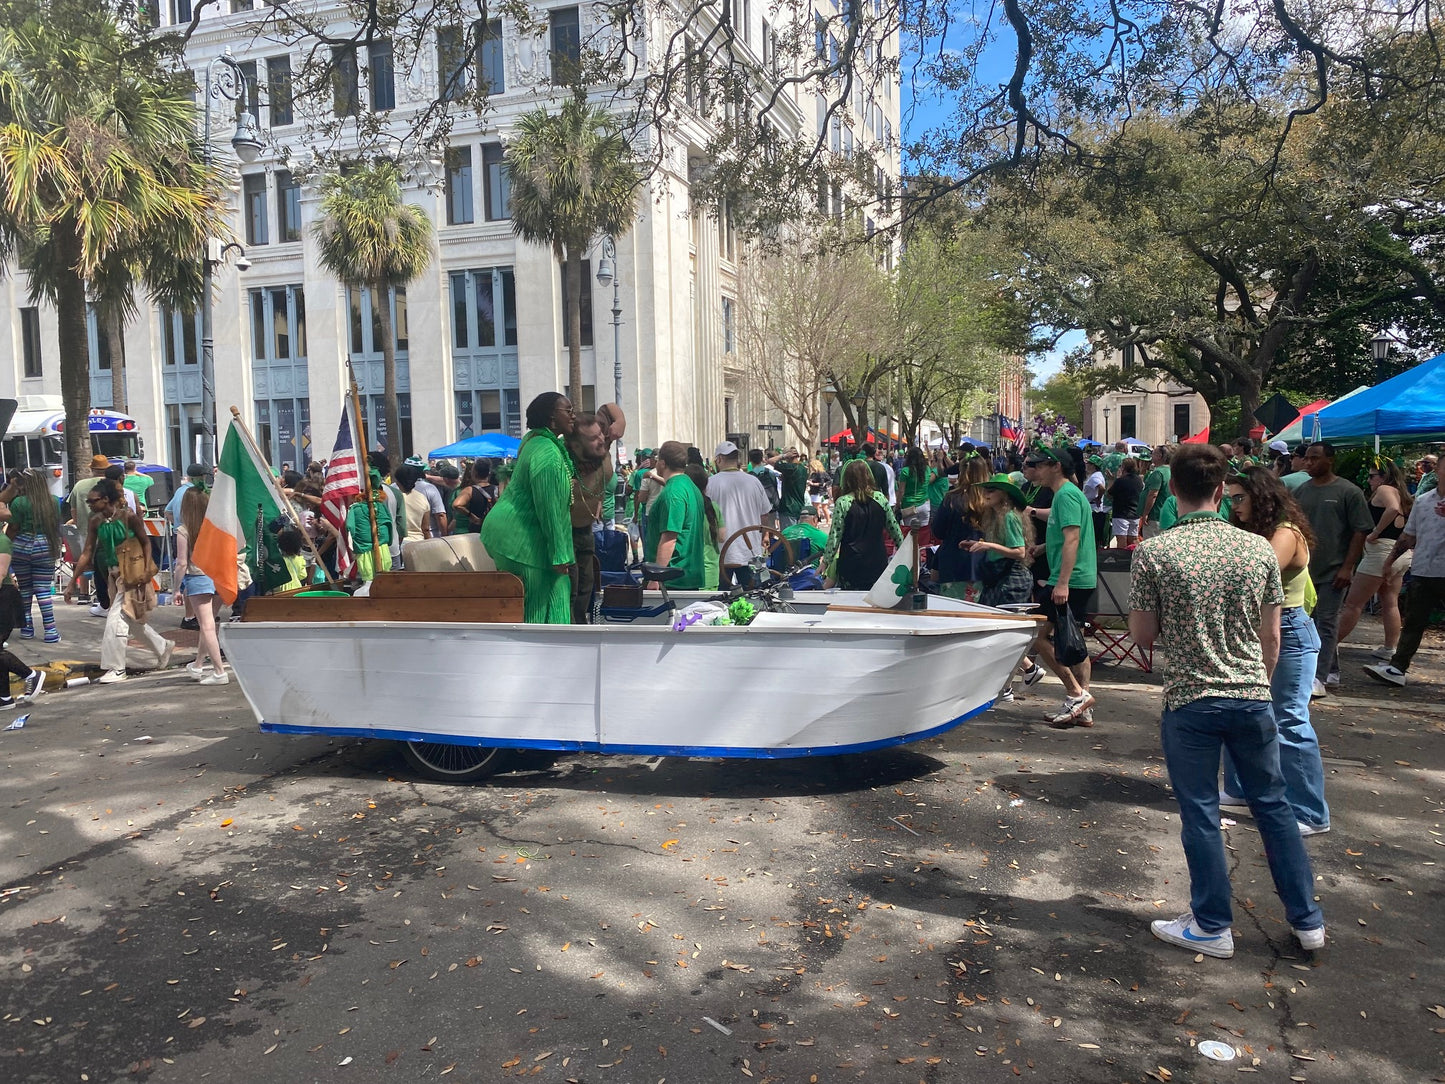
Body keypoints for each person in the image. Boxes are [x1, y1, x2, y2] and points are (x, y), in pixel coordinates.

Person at [1128, 443, 1324, 959]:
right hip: (1251, 695)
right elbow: (1273, 637)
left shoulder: (1155, 553)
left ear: (1173, 490)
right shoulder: (1259, 550)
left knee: (1200, 811)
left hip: (1191, 698)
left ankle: (1212, 923)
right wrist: (1257, 681)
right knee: (1274, 807)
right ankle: (1307, 919)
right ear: (1220, 491)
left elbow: (1143, 635)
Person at [1220, 466, 1330, 834]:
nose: (1233, 506)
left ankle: (1311, 812)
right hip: (1256, 629)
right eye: (1229, 498)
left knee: (1289, 722)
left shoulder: (1284, 533)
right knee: (1243, 712)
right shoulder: (1255, 531)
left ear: (1262, 497)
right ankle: (1238, 789)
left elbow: (1252, 578)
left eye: (1239, 497)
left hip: (1290, 632)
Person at [63, 480, 174, 683]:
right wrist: (72, 581)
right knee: (132, 620)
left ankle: (116, 668)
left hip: (132, 574)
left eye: (93, 500)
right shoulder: (95, 520)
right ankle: (163, 646)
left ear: (106, 499)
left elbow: (146, 542)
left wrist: (147, 568)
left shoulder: (128, 516)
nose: (89, 504)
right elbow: (87, 551)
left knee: (116, 621)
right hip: (114, 576)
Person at [480, 393, 577, 623]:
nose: (574, 416)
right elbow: (549, 508)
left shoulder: (536, 441)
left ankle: (548, 650)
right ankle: (542, 652)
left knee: (554, 590)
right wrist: (560, 554)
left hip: (514, 534)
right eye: (569, 411)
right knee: (544, 596)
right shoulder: (547, 454)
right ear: (552, 418)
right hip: (520, 539)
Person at [1026, 446, 1097, 728]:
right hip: (1078, 577)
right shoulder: (1066, 496)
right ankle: (1083, 705)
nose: (1034, 469)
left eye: (1038, 464)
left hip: (1069, 579)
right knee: (1075, 643)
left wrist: (1063, 582)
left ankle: (1075, 693)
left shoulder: (1066, 495)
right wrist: (1042, 547)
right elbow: (1058, 526)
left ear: (1055, 466)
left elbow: (1072, 539)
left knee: (1038, 636)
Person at [1294, 442, 1372, 694]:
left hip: (1334, 570)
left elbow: (1360, 531)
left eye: (1314, 458)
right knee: (1309, 622)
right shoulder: (1302, 491)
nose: (1309, 463)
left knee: (1326, 622)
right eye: (1306, 458)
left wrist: (1347, 567)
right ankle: (1333, 669)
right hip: (1306, 570)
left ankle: (1319, 677)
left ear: (1330, 459)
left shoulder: (1348, 491)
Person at [1363, 472, 1445, 687]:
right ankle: (1397, 668)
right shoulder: (1424, 500)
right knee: (1414, 622)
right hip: (1424, 570)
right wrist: (1390, 560)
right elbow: (1409, 534)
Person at [1334, 461, 1412, 662]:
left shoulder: (1385, 489)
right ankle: (1389, 647)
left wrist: (1375, 532)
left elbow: (1393, 509)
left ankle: (1328, 645)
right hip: (1399, 553)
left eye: (1372, 476)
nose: (1369, 480)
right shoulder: (1401, 493)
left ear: (1384, 477)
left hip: (1381, 552)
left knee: (1353, 604)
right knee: (1389, 601)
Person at [170, 487, 229, 684]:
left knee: (207, 625)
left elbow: (181, 563)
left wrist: (176, 589)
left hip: (198, 578)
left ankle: (219, 671)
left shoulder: (184, 530)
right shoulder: (216, 527)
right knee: (209, 624)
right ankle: (197, 664)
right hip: (220, 577)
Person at [820, 460, 903, 590]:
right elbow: (894, 529)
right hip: (877, 561)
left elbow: (834, 537)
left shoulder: (843, 502)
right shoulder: (880, 498)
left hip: (851, 562)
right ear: (869, 476)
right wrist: (904, 550)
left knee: (851, 603)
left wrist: (825, 562)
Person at [2, 469, 62, 643]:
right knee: (43, 590)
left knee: (25, 589)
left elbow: (13, 527)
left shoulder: (18, 502)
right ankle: (50, 631)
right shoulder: (53, 501)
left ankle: (27, 628)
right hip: (45, 545)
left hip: (22, 544)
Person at [707, 441, 774, 588]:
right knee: (754, 597)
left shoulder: (710, 483)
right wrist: (765, 535)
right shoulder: (754, 482)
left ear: (719, 459)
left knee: (722, 598)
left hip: (722, 552)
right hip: (750, 551)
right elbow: (764, 515)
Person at [642, 442, 706, 589]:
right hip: (687, 574)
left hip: (672, 578)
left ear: (663, 463)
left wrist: (655, 578)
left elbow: (669, 538)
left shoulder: (673, 493)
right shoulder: (689, 485)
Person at [965, 474, 1033, 608]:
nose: (985, 493)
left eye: (991, 490)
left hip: (1011, 578)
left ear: (1004, 494)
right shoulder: (994, 515)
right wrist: (978, 544)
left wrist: (988, 545)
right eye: (985, 490)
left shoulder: (1009, 516)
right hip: (999, 575)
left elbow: (1020, 552)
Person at [566, 413, 609, 622]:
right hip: (566, 532)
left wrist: (619, 422)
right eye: (593, 438)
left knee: (587, 583)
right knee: (571, 586)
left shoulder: (601, 453)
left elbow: (610, 410)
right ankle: (572, 627)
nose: (601, 439)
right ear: (575, 446)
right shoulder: (564, 466)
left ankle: (581, 622)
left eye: (600, 434)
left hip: (586, 529)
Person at [930, 457, 990, 600]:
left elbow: (938, 531)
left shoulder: (952, 498)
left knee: (952, 611)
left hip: (952, 562)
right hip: (982, 563)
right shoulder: (990, 500)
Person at [0, 533, 46, 708]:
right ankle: (4, 697)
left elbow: (1, 573)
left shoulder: (2, 541)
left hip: (4, 599)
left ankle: (31, 675)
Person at [346, 471, 395, 582]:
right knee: (384, 580)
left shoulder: (355, 509)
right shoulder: (381, 506)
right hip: (382, 548)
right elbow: (389, 526)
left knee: (369, 582)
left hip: (366, 551)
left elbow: (350, 528)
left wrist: (352, 547)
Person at [684, 464, 725, 590]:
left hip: (690, 575)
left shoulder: (686, 507)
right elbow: (722, 537)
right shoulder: (713, 507)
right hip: (711, 574)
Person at [895, 445, 938, 541]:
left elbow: (901, 491)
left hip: (909, 506)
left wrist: (897, 504)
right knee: (923, 534)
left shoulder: (905, 471)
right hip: (925, 505)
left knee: (910, 536)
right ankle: (921, 553)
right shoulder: (927, 469)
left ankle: (912, 555)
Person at [451, 458, 497, 534]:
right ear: (489, 473)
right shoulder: (497, 489)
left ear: (474, 472)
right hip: (494, 529)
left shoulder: (469, 490)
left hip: (477, 531)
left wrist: (472, 516)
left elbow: (456, 505)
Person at [1107, 456, 1143, 548]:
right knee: (1133, 539)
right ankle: (1134, 557)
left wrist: (1111, 480)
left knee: (1121, 539)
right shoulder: (1139, 480)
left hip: (1121, 514)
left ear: (1123, 467)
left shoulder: (1120, 481)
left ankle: (1122, 559)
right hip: (1135, 513)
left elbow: (1109, 494)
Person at [394, 465, 434, 544]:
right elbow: (425, 529)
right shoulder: (422, 498)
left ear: (397, 481)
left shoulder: (394, 496)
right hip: (418, 543)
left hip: (398, 542)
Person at [770, 448, 809, 529]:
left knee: (788, 537)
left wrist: (783, 456)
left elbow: (771, 461)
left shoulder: (791, 467)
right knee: (798, 536)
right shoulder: (803, 469)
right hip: (800, 506)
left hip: (788, 507)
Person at [1138, 445, 1172, 538]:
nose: (1151, 456)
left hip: (1155, 516)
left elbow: (1153, 494)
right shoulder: (1171, 471)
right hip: (1167, 515)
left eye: (1153, 454)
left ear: (1159, 456)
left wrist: (1145, 514)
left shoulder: (1158, 473)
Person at [1083, 456, 1108, 546]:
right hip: (1095, 509)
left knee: (1093, 534)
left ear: (1093, 466)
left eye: (1088, 464)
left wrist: (1098, 497)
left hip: (1093, 509)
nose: (1086, 465)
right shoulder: (1098, 475)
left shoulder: (1094, 477)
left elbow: (1101, 488)